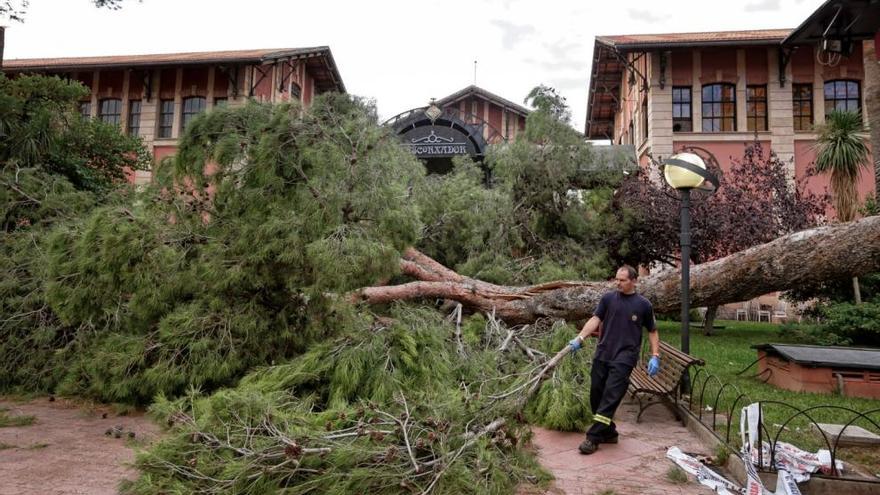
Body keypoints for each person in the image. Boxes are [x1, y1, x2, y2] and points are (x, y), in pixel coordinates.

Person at [568, 265, 660, 455]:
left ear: (634, 281)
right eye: (616, 279)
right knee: (596, 394)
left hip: (625, 357)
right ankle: (609, 432)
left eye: (622, 280)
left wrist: (655, 356)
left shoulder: (643, 305)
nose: (617, 283)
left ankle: (593, 438)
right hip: (603, 353)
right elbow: (595, 319)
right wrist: (580, 338)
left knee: (611, 395)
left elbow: (652, 331)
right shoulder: (608, 299)